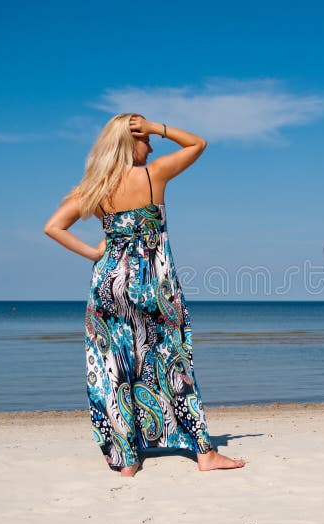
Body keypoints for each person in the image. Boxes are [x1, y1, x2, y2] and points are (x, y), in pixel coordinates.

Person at [44, 113, 246, 476]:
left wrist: (94, 252)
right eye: (145, 140)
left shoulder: (94, 188)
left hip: (108, 285)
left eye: (151, 138)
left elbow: (53, 227)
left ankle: (128, 461)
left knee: (115, 370)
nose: (151, 146)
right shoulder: (152, 175)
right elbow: (198, 143)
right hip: (153, 281)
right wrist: (159, 127)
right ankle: (204, 454)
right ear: (130, 142)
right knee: (172, 361)